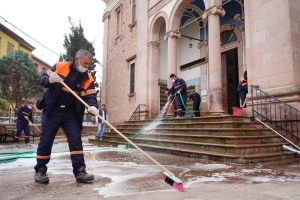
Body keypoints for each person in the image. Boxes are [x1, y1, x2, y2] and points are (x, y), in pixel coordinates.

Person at [34, 49, 99, 184]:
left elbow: (91, 96)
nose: (87, 66)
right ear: (77, 59)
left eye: (89, 64)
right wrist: (50, 80)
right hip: (52, 110)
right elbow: (42, 79)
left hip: (71, 112)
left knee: (76, 141)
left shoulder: (88, 78)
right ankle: (40, 171)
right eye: (85, 63)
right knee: (46, 140)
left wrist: (93, 106)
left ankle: (80, 172)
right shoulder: (59, 66)